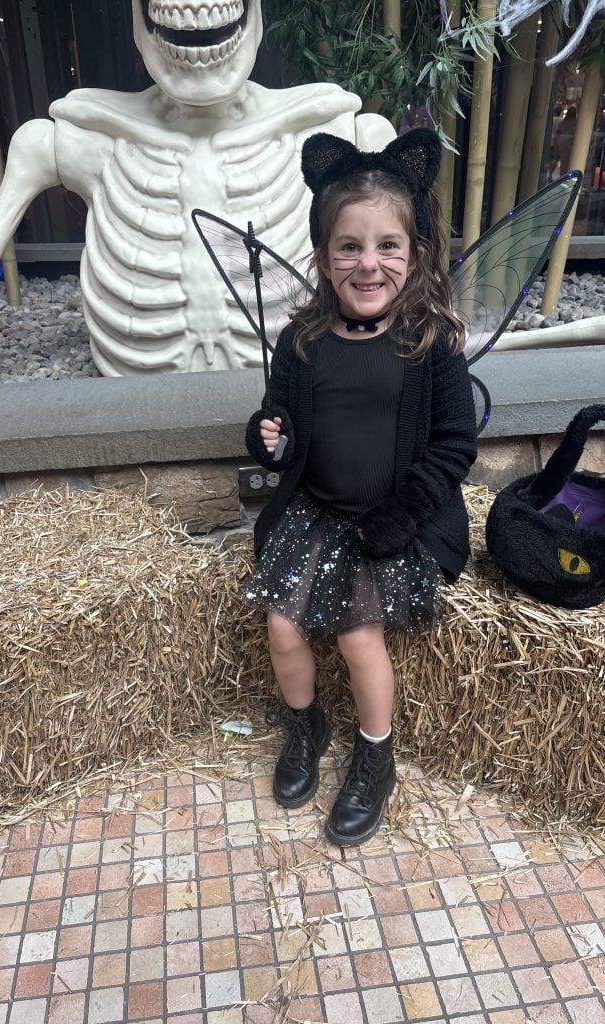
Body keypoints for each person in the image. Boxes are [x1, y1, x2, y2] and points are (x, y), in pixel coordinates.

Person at [243, 130, 478, 847]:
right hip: (316, 513)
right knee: (282, 625)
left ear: (416, 255)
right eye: (349, 246)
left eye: (387, 246)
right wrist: (268, 438)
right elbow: (280, 422)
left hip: (392, 519)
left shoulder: (430, 344)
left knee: (356, 633)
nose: (368, 262)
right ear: (323, 259)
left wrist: (405, 512)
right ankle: (306, 726)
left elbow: (455, 445)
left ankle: (377, 757)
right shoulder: (301, 343)